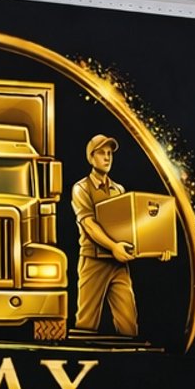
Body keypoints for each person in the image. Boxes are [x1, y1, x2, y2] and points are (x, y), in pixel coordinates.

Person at [71, 133, 138, 335]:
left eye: (110, 153)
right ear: (91, 158)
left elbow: (128, 228)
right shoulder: (81, 188)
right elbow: (89, 225)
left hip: (118, 263)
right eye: (102, 153)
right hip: (94, 261)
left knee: (129, 324)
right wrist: (113, 246)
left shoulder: (119, 190)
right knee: (86, 323)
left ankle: (130, 364)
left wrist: (157, 247)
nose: (107, 157)